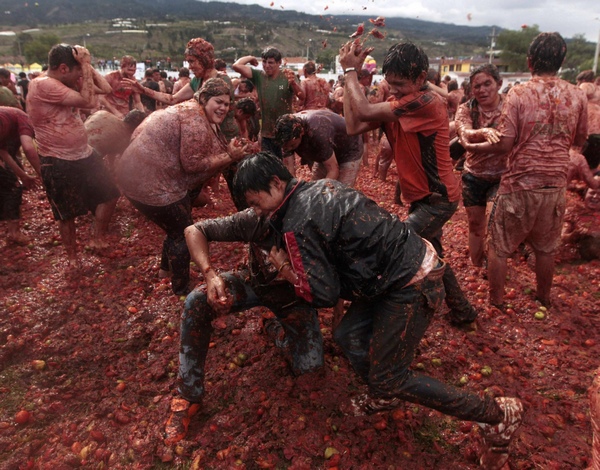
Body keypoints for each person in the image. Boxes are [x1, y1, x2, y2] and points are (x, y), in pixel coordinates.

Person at [172, 152, 523, 469]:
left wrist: (283, 268)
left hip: (408, 282)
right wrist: (210, 272)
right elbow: (195, 229)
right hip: (389, 272)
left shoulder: (296, 220)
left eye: (258, 203)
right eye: (251, 207)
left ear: (278, 183)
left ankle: (494, 414)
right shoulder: (315, 188)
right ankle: (383, 394)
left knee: (390, 375)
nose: (258, 212)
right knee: (346, 335)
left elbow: (323, 295)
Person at [339, 40, 478, 326]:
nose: (394, 89)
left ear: (421, 79)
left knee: (394, 244)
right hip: (423, 198)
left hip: (438, 200)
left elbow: (364, 112)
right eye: (390, 83)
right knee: (433, 252)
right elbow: (353, 126)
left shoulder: (427, 102)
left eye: (400, 84)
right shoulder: (400, 103)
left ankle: (380, 315)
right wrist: (347, 80)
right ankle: (463, 311)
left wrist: (351, 72)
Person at [462, 32, 588, 308]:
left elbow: (505, 143)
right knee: (545, 248)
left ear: (530, 62)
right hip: (555, 184)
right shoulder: (577, 95)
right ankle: (543, 297)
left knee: (499, 247)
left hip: (519, 183)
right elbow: (580, 140)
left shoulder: (519, 93)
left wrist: (473, 148)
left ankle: (496, 302)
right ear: (562, 60)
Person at [115, 78, 252, 295]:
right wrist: (229, 155)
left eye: (227, 104)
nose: (224, 108)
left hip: (143, 176)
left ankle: (164, 271)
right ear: (204, 98)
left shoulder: (197, 112)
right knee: (183, 231)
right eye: (219, 102)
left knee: (174, 226)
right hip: (149, 182)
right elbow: (193, 165)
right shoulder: (193, 118)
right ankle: (180, 289)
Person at [26, 44, 116, 266]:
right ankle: (73, 259)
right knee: (66, 214)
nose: (81, 76)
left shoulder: (64, 82)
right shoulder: (43, 85)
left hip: (83, 154)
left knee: (111, 193)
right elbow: (88, 101)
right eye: (78, 71)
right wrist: (84, 64)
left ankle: (96, 239)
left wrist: (86, 64)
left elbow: (105, 88)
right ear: (64, 69)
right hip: (57, 159)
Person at [455, 64, 508, 267]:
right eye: (477, 86)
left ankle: (496, 264)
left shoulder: (510, 107)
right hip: (474, 175)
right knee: (476, 225)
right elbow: (464, 132)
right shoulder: (466, 109)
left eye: (488, 84)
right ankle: (477, 265)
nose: (482, 90)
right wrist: (484, 131)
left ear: (499, 84)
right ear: (471, 89)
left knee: (495, 224)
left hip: (503, 176)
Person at [232, 47, 305, 173]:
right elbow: (236, 66)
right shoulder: (259, 76)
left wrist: (293, 83)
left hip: (285, 132)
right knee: (269, 169)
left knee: (288, 169)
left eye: (271, 62)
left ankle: (291, 192)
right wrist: (250, 58)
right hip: (266, 133)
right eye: (264, 62)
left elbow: (302, 96)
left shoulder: (286, 76)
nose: (267, 66)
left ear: (279, 63)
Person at [274, 109, 363, 186]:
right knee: (314, 189)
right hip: (326, 150)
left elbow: (333, 170)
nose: (289, 148)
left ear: (301, 133)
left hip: (349, 150)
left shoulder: (316, 132)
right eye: (286, 147)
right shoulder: (284, 135)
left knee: (340, 193)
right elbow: (290, 173)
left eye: (292, 145)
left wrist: (321, 191)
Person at [0, 106, 41, 245]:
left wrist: (23, 175)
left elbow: (3, 153)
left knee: (7, 184)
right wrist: (42, 174)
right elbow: (28, 149)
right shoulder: (25, 121)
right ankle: (14, 233)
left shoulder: (10, 119)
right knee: (13, 187)